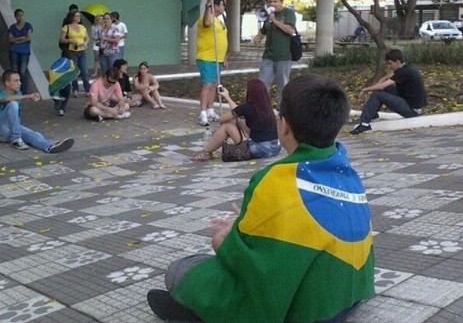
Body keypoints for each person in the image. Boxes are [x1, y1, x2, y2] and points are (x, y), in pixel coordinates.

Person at [148, 74, 375, 323]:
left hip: (302, 310)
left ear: (284, 125)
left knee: (181, 270)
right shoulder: (348, 172)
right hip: (348, 296)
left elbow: (250, 267)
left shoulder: (274, 178)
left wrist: (225, 241)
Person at [191, 79, 281, 161]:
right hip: (275, 148)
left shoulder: (247, 107)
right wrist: (228, 98)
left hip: (260, 149)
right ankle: (206, 153)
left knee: (227, 125)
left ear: (251, 92)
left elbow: (222, 120)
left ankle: (205, 153)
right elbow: (239, 113)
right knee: (241, 121)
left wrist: (227, 101)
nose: (245, 91)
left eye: (246, 89)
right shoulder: (266, 107)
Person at [0, 70, 74, 152]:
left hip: (14, 129)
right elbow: (4, 99)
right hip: (1, 132)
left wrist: (31, 96)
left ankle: (50, 146)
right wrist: (27, 96)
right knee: (13, 104)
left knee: (34, 134)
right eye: (16, 81)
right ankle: (16, 140)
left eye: (19, 80)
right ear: (7, 83)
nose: (19, 83)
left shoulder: (19, 93)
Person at [350, 49, 427, 135]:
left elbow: (381, 86)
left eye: (390, 63)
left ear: (397, 62)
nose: (389, 66)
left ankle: (364, 125)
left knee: (378, 94)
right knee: (386, 88)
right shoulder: (406, 68)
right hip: (408, 103)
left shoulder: (404, 72)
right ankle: (373, 116)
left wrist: (364, 90)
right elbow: (391, 77)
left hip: (412, 111)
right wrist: (382, 79)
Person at [252, 0, 297, 106]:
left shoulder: (288, 13)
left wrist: (274, 20)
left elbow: (290, 30)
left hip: (283, 56)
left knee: (283, 86)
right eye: (270, 1)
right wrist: (258, 38)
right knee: (262, 85)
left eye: (275, 1)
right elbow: (263, 31)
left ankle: (282, 112)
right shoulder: (267, 15)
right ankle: (262, 110)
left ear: (281, 2)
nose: (273, 4)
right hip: (268, 56)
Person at [195, 0, 228, 126]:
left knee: (214, 85)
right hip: (207, 58)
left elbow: (222, 39)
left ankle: (210, 110)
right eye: (222, 5)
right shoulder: (206, 18)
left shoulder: (219, 21)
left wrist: (224, 56)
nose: (224, 8)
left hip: (218, 59)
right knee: (207, 85)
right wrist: (208, 4)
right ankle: (202, 114)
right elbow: (206, 23)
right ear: (216, 6)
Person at [60, 5, 90, 97]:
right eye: (77, 16)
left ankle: (87, 89)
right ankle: (75, 89)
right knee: (74, 71)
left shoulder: (82, 27)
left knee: (85, 71)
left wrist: (85, 43)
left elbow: (87, 38)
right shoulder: (66, 27)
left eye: (79, 16)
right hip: (72, 51)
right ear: (72, 17)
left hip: (82, 51)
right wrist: (71, 40)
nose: (79, 17)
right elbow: (61, 39)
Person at [8, 9, 33, 94]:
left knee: (23, 70)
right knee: (14, 69)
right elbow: (10, 39)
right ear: (15, 16)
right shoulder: (12, 27)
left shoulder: (28, 25)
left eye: (21, 15)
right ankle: (15, 89)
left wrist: (17, 41)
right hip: (14, 50)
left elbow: (28, 38)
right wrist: (20, 38)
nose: (20, 17)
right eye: (18, 15)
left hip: (24, 50)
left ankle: (23, 90)